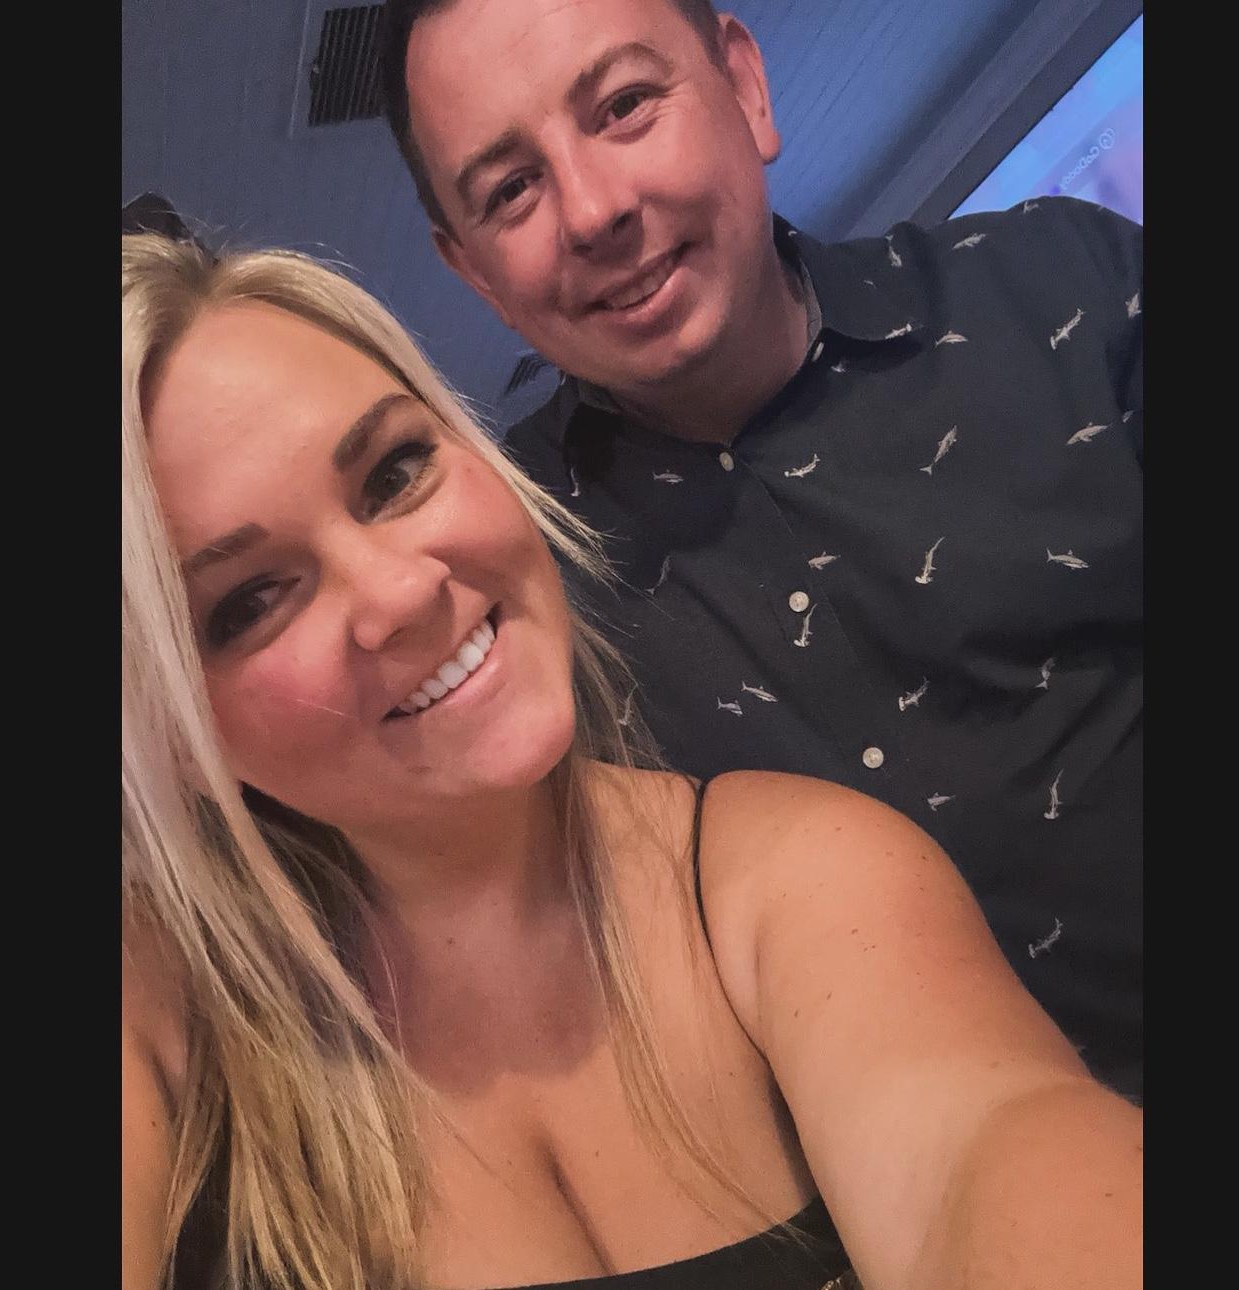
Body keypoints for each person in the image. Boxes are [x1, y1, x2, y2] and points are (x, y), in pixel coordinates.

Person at [122, 230, 1141, 1290]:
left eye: (396, 471)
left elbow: (983, 1148)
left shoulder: (803, 875)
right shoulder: (162, 1016)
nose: (403, 594)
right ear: (171, 738)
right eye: (248, 602)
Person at [379, 0, 1144, 1099]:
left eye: (624, 105)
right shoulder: (500, 580)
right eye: (511, 190)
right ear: (476, 276)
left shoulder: (1062, 284)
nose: (593, 210)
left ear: (744, 84)